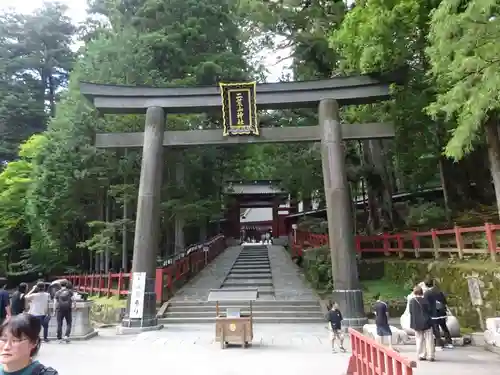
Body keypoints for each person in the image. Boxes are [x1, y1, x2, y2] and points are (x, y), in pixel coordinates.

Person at [424, 279, 454, 350]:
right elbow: (445, 302)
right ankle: (449, 342)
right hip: (442, 312)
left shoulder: (426, 293)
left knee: (436, 329)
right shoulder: (439, 291)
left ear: (425, 285)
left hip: (434, 314)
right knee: (444, 327)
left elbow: (425, 304)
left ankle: (439, 344)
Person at [409, 285, 435, 361]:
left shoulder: (412, 301)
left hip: (417, 323)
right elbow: (430, 310)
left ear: (414, 292)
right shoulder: (425, 300)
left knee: (419, 339)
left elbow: (411, 312)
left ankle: (421, 355)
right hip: (427, 322)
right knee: (429, 339)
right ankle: (430, 355)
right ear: (422, 292)